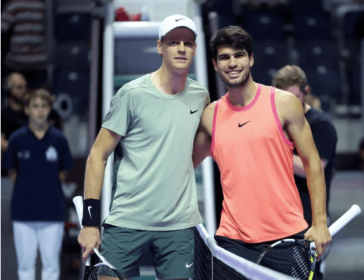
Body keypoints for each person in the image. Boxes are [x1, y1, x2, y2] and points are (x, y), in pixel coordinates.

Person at [77, 15, 209, 280]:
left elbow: (191, 152)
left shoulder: (201, 96)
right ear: (160, 46)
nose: (181, 48)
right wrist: (90, 223)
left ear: (195, 49)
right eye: (173, 42)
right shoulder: (131, 94)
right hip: (127, 222)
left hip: (179, 226)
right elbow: (97, 155)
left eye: (187, 43)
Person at [193, 26, 331, 264]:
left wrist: (319, 223)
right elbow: (183, 166)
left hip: (287, 236)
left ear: (251, 59)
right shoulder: (210, 116)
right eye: (224, 57)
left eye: (239, 55)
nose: (232, 63)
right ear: (215, 65)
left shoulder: (284, 103)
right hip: (233, 239)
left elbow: (313, 165)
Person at [273, 65, 338, 279]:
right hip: (277, 217)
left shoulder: (321, 125)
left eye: (293, 97)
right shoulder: (274, 124)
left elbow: (313, 166)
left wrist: (272, 151)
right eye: (283, 98)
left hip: (309, 219)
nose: (288, 103)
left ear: (306, 91)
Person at [3, 88, 73, 280]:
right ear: (27, 110)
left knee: (51, 266)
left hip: (52, 213)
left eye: (44, 106)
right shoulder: (17, 139)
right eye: (35, 106)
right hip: (23, 213)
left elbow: (63, 173)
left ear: (49, 109)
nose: (40, 111)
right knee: (25, 266)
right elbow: (12, 172)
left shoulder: (59, 140)